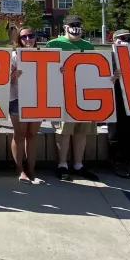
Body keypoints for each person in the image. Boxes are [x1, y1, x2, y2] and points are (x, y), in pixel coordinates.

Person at [45, 15, 100, 182]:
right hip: (63, 94)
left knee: (81, 131)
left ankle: (78, 164)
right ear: (64, 27)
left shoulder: (88, 46)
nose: (76, 28)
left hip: (83, 95)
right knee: (63, 131)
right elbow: (45, 68)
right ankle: (62, 165)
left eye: (79, 25)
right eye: (72, 25)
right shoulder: (53, 44)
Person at [10, 26, 43, 184]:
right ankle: (20, 169)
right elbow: (4, 80)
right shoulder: (14, 56)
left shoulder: (44, 55)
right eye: (24, 37)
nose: (28, 39)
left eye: (31, 35)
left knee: (32, 135)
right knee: (20, 135)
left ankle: (32, 169)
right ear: (19, 40)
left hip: (37, 98)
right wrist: (13, 76)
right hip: (17, 98)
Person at [107, 29, 130, 179]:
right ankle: (117, 162)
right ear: (114, 41)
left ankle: (129, 162)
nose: (126, 40)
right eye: (122, 38)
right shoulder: (109, 57)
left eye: (129, 38)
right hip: (116, 97)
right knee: (116, 132)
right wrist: (113, 77)